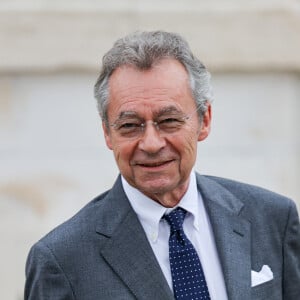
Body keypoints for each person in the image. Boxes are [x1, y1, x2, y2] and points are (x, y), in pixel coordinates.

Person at [25, 31, 300, 300]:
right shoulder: (61, 261)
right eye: (130, 126)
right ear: (108, 133)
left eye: (168, 121)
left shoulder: (273, 219)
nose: (151, 143)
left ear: (204, 120)